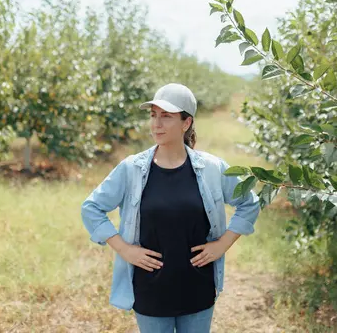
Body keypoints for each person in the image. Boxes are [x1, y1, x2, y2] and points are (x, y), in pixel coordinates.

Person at [81, 83, 261, 333]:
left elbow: (249, 203)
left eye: (166, 116)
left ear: (186, 123)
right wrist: (124, 249)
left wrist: (222, 245)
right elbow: (91, 208)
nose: (157, 124)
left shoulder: (212, 168)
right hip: (150, 292)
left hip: (198, 289)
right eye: (153, 115)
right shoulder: (132, 169)